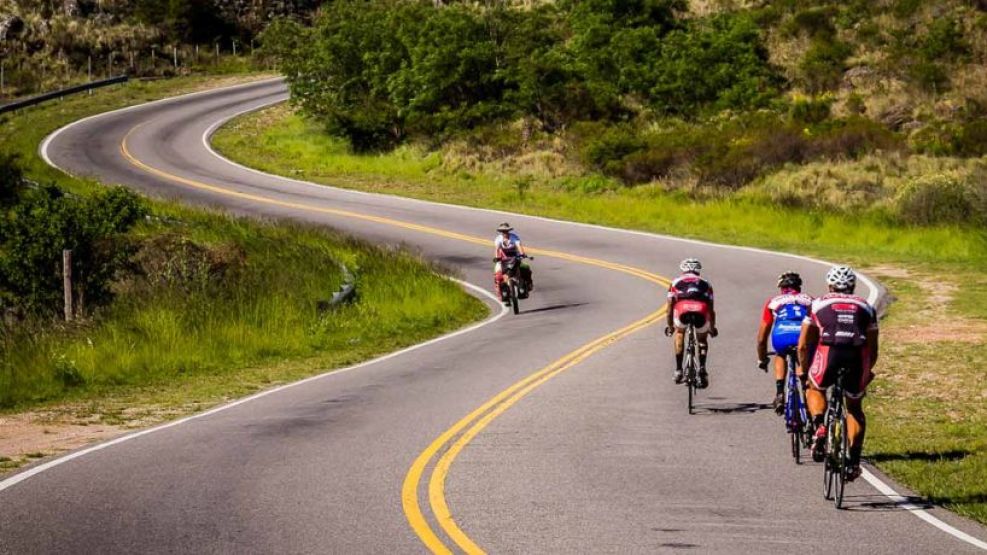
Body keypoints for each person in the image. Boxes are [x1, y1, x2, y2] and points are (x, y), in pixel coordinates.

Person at [798, 266, 879, 481]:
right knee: (854, 408)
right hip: (856, 356)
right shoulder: (867, 307)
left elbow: (804, 344)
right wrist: (867, 371)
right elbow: (873, 348)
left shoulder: (817, 304)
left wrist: (804, 370)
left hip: (830, 352)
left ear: (829, 285)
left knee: (815, 388)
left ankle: (819, 426)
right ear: (853, 286)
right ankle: (853, 462)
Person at [756, 272, 814, 413]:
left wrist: (762, 359)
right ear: (799, 287)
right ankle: (808, 394)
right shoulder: (811, 300)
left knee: (780, 354)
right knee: (804, 356)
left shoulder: (773, 301)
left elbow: (762, 338)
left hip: (782, 334)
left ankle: (780, 393)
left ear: (781, 288)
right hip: (802, 335)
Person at [664, 258, 717, 388]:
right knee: (702, 340)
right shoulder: (707, 284)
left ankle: (678, 370)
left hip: (683, 309)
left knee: (679, 333)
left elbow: (669, 308)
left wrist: (670, 326)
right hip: (701, 309)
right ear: (698, 270)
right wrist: (712, 327)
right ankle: (702, 369)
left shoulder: (675, 282)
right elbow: (711, 309)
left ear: (683, 269)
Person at [493, 222, 532, 304]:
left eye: (506, 231)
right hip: (503, 259)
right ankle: (502, 294)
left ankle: (527, 286)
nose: (505, 233)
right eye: (503, 231)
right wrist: (497, 258)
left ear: (509, 231)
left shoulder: (514, 237)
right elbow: (497, 249)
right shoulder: (498, 239)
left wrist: (522, 254)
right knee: (498, 274)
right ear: (501, 232)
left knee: (525, 268)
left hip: (515, 257)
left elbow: (519, 246)